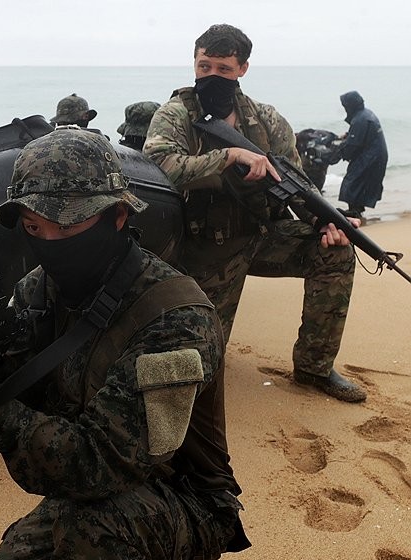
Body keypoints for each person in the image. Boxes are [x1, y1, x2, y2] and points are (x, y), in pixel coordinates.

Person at [0, 128, 247, 560]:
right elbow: (24, 384)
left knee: (97, 524)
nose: (47, 241)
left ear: (119, 216)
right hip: (92, 491)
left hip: (183, 499)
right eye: (32, 227)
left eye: (65, 225)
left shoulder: (175, 316)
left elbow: (98, 462)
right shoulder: (38, 293)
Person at [144, 24, 365, 402]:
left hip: (263, 236)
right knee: (199, 368)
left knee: (336, 252)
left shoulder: (267, 120)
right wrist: (229, 156)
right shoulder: (175, 114)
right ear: (194, 64)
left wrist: (325, 220)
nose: (212, 76)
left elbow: (299, 185)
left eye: (224, 69)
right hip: (205, 248)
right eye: (204, 66)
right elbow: (159, 165)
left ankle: (314, 368)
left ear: (243, 68)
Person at [338, 91, 388, 218]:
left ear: (351, 105)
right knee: (361, 184)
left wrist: (341, 153)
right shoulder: (365, 114)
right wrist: (349, 136)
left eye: (345, 106)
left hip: (370, 157)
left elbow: (352, 145)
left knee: (353, 182)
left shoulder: (360, 119)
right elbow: (359, 137)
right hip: (375, 155)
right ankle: (357, 211)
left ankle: (355, 213)